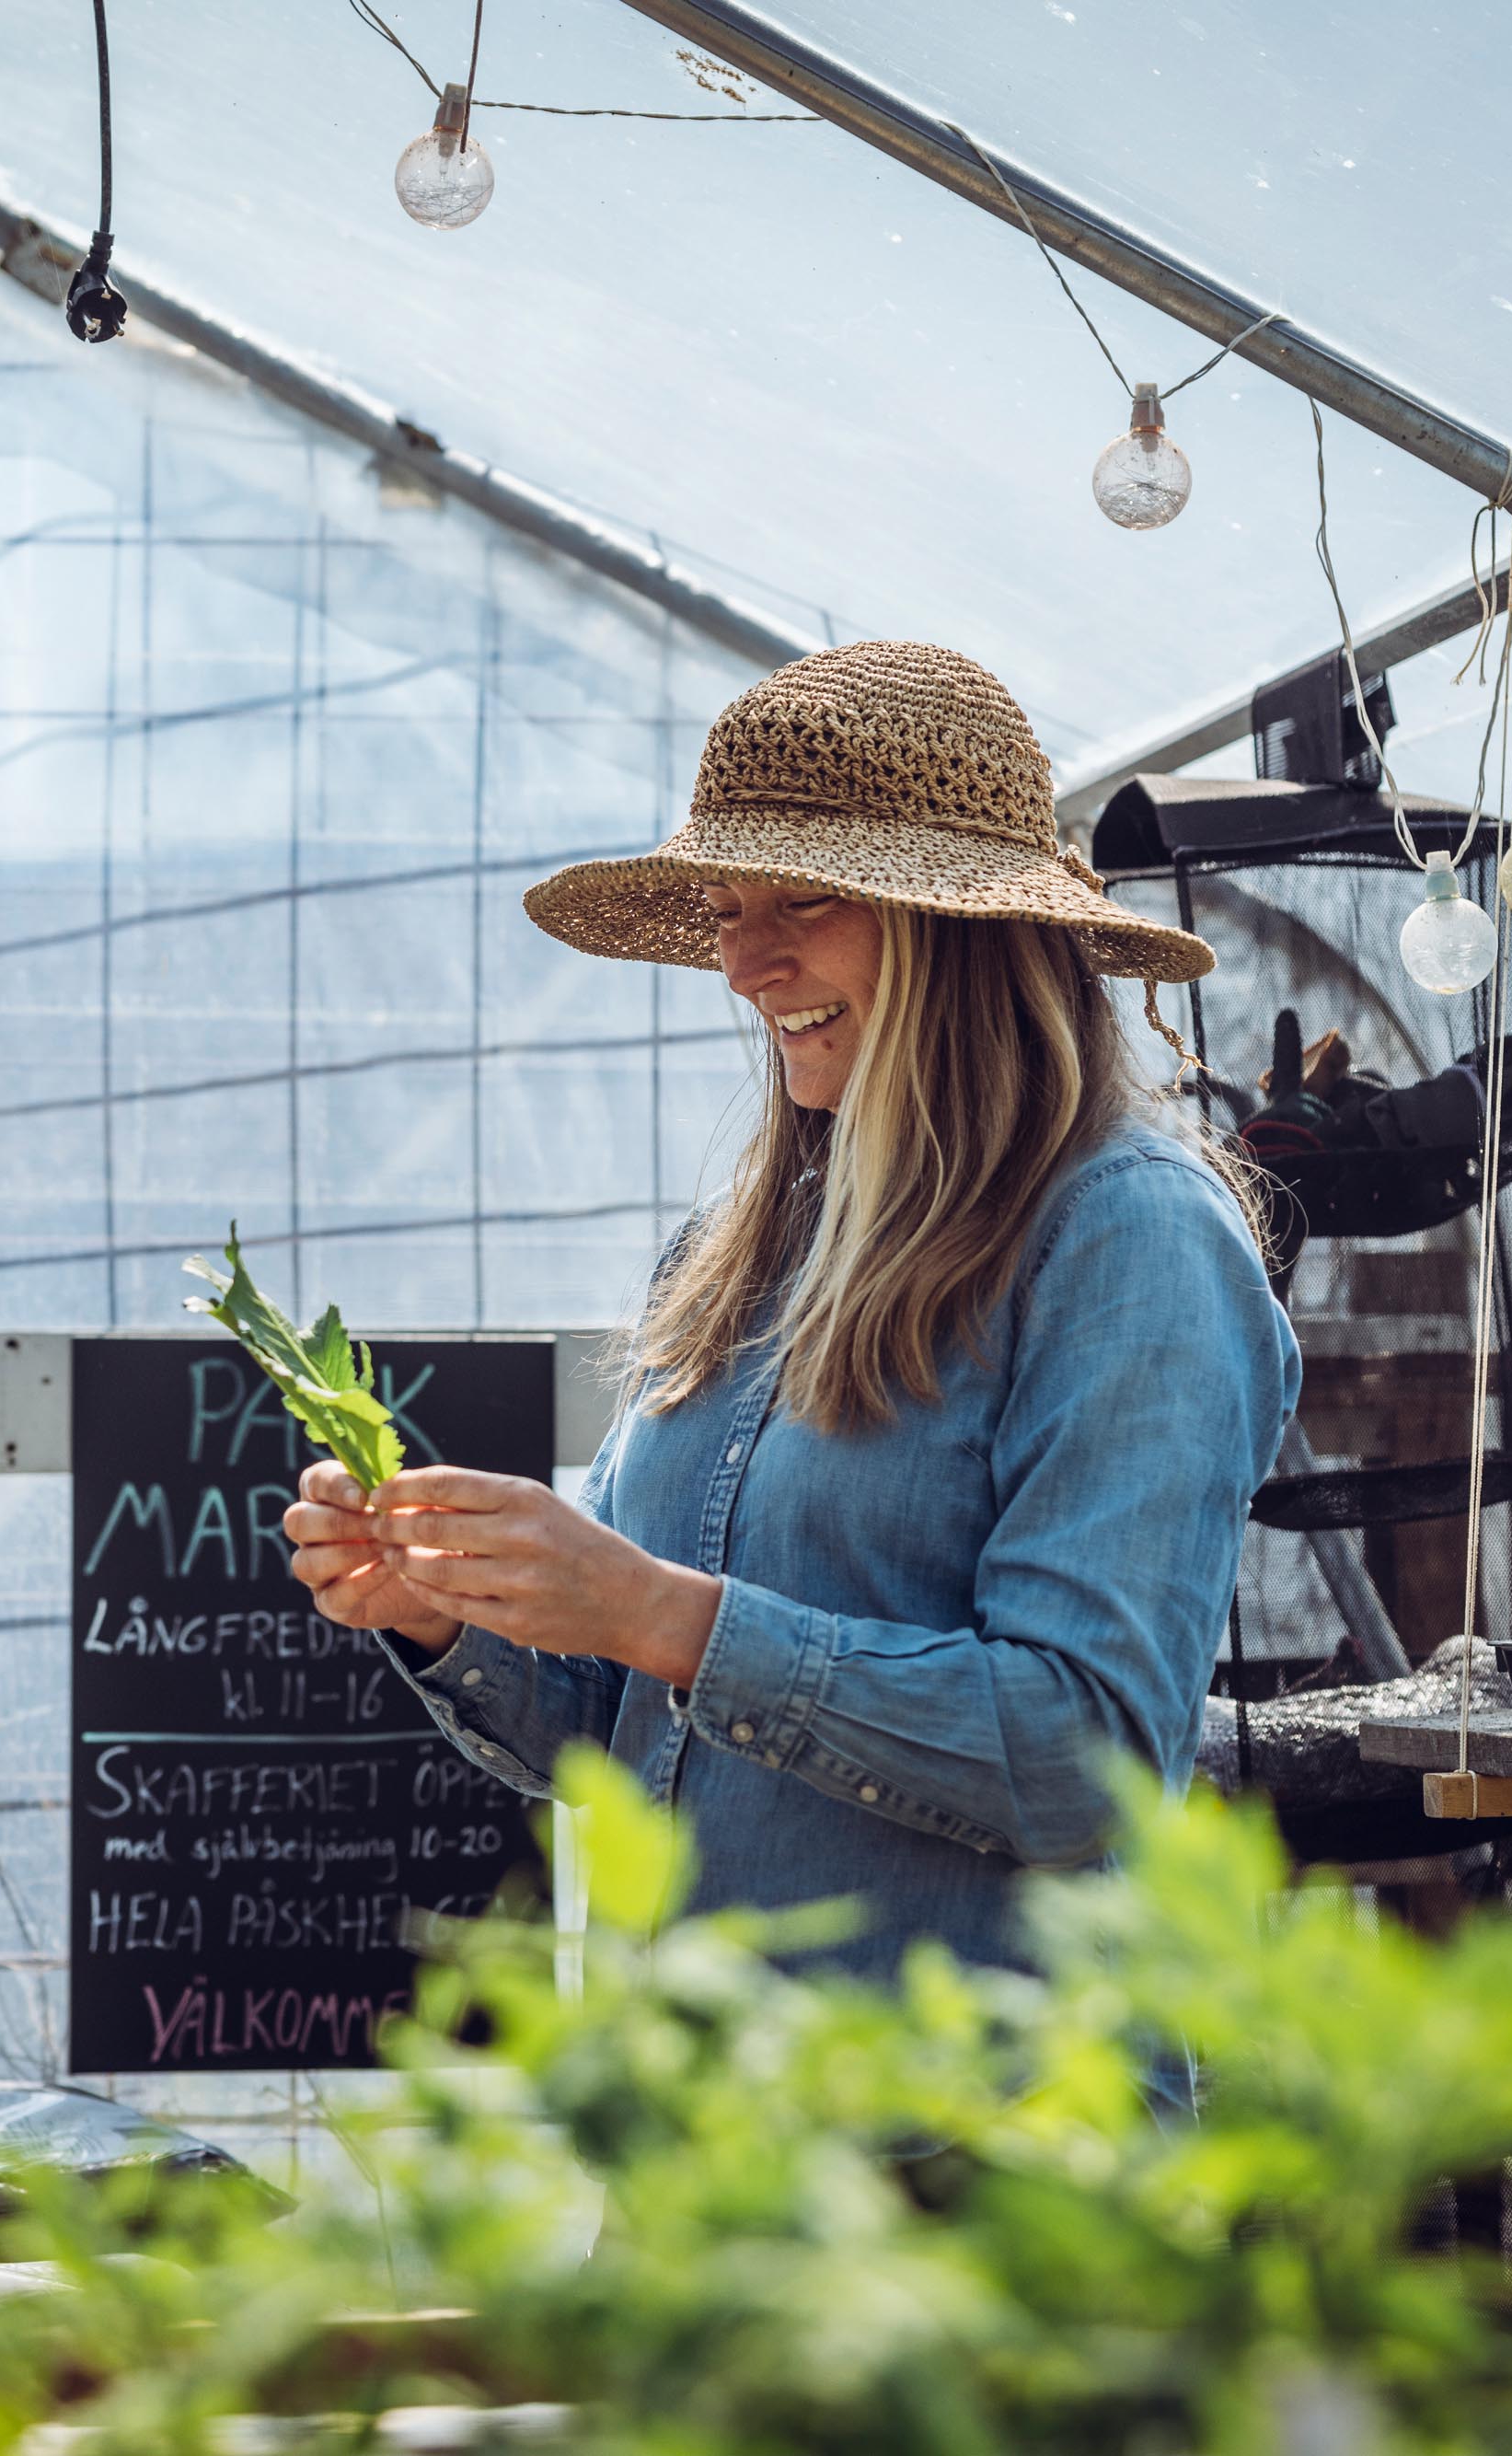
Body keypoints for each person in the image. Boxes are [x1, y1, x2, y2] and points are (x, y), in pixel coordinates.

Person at [283, 643, 1298, 1975]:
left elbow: (1085, 1759)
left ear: (964, 927)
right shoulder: (731, 1253)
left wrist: (660, 1613)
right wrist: (447, 1610)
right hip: (710, 2133)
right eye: (723, 908)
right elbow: (624, 1729)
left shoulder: (1128, 1240)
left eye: (806, 903)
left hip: (980, 2144)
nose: (746, 965)